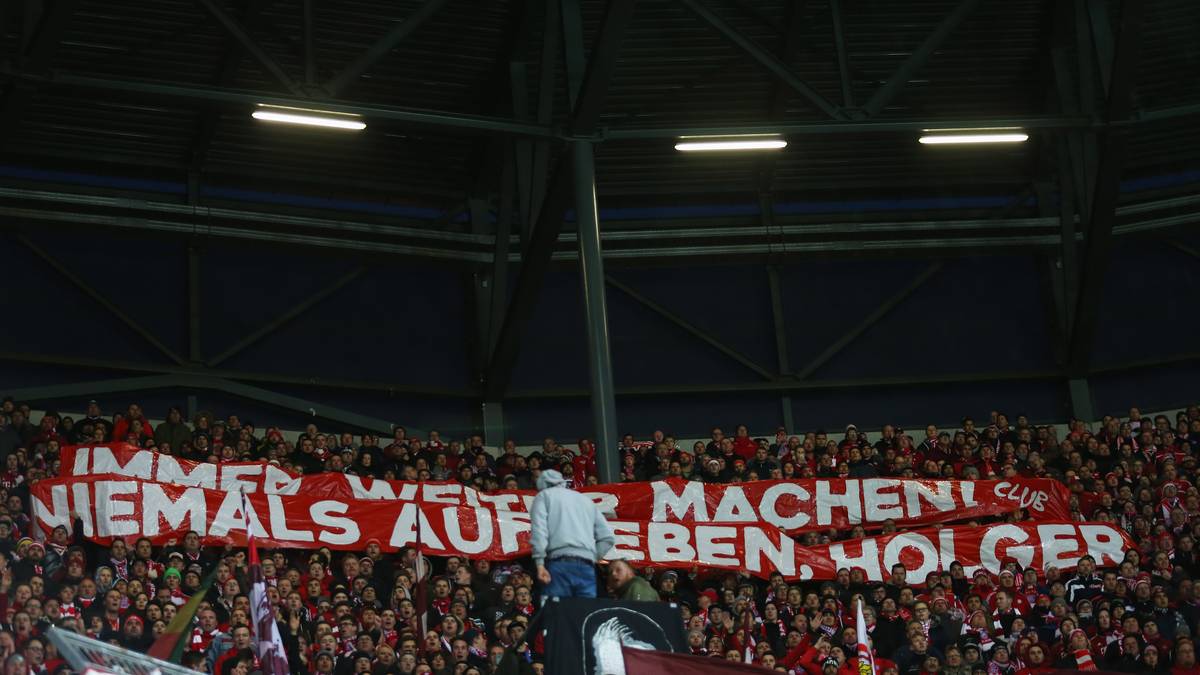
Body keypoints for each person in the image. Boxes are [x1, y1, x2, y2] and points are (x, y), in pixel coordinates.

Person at [529, 469, 614, 599]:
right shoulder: (585, 501)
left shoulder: (544, 496)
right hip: (587, 568)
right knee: (585, 616)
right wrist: (592, 557)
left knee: (558, 615)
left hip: (559, 565)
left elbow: (539, 531)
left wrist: (539, 564)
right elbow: (607, 537)